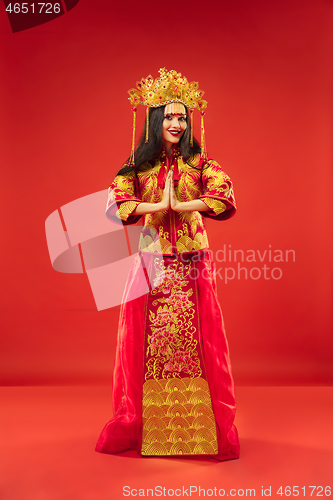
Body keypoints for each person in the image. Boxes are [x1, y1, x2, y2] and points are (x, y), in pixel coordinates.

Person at [95, 69, 240, 460]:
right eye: (170, 117)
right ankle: (149, 428)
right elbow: (115, 203)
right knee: (150, 342)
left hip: (192, 263)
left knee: (199, 341)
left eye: (182, 117)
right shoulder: (138, 165)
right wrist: (158, 206)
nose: (177, 124)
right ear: (156, 121)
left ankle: (201, 429)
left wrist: (183, 205)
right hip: (152, 260)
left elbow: (223, 195)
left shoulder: (199, 163)